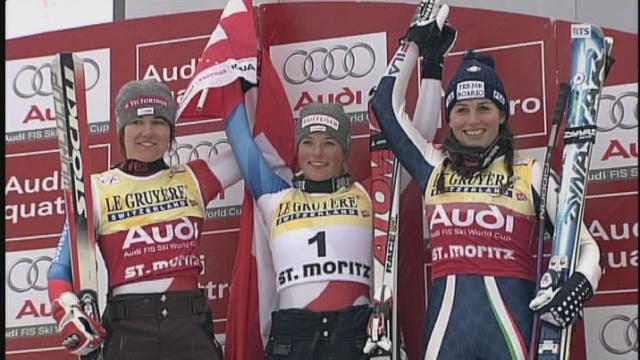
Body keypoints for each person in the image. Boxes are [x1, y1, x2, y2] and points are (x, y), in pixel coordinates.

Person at [370, 3, 603, 359]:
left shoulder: (530, 173)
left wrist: (579, 286)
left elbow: (587, 248)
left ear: (502, 114)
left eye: (484, 108)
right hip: (445, 338)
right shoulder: (434, 167)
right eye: (461, 109)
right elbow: (385, 106)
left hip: (513, 335)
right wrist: (415, 41)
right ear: (450, 117)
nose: (472, 120)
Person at [47, 79, 240, 359]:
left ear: (171, 132)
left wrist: (243, 79)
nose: (148, 132)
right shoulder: (95, 189)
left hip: (189, 327)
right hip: (128, 332)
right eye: (137, 122)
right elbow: (59, 270)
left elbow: (259, 152)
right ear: (121, 129)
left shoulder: (196, 177)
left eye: (159, 122)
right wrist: (67, 309)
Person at [225, 101, 373, 359]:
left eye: (329, 143)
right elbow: (239, 138)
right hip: (295, 337)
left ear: (345, 149)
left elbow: (413, 139)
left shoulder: (369, 196)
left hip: (353, 333)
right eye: (307, 142)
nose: (317, 153)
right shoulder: (275, 198)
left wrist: (427, 72)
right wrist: (238, 74)